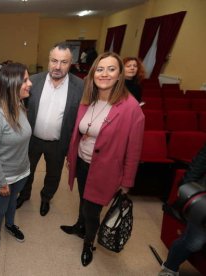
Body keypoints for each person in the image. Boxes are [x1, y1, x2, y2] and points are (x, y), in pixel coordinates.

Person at [61, 52, 145, 267]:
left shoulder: (131, 108)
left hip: (105, 169)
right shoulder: (88, 99)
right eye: (100, 69)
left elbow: (133, 150)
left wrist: (127, 182)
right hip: (82, 162)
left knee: (92, 209)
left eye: (111, 69)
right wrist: (73, 156)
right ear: (93, 73)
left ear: (119, 75)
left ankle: (88, 242)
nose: (104, 74)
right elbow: (79, 131)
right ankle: (80, 226)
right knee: (83, 199)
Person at [17, 41, 84, 216]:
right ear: (48, 60)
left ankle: (46, 198)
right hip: (32, 139)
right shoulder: (34, 81)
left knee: (53, 175)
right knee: (26, 170)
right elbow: (19, 106)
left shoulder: (80, 86)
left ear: (71, 63)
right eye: (54, 61)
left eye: (64, 62)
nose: (58, 66)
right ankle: (24, 195)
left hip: (58, 143)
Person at [0, 63, 32, 250]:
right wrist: (2, 182)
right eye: (25, 80)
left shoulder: (20, 105)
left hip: (21, 172)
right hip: (1, 177)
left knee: (12, 203)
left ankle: (10, 225)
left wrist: (25, 169)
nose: (30, 84)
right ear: (13, 84)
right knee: (0, 208)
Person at [159, 144, 206, 276]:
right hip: (204, 203)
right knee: (194, 241)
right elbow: (199, 162)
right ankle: (170, 268)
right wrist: (187, 187)